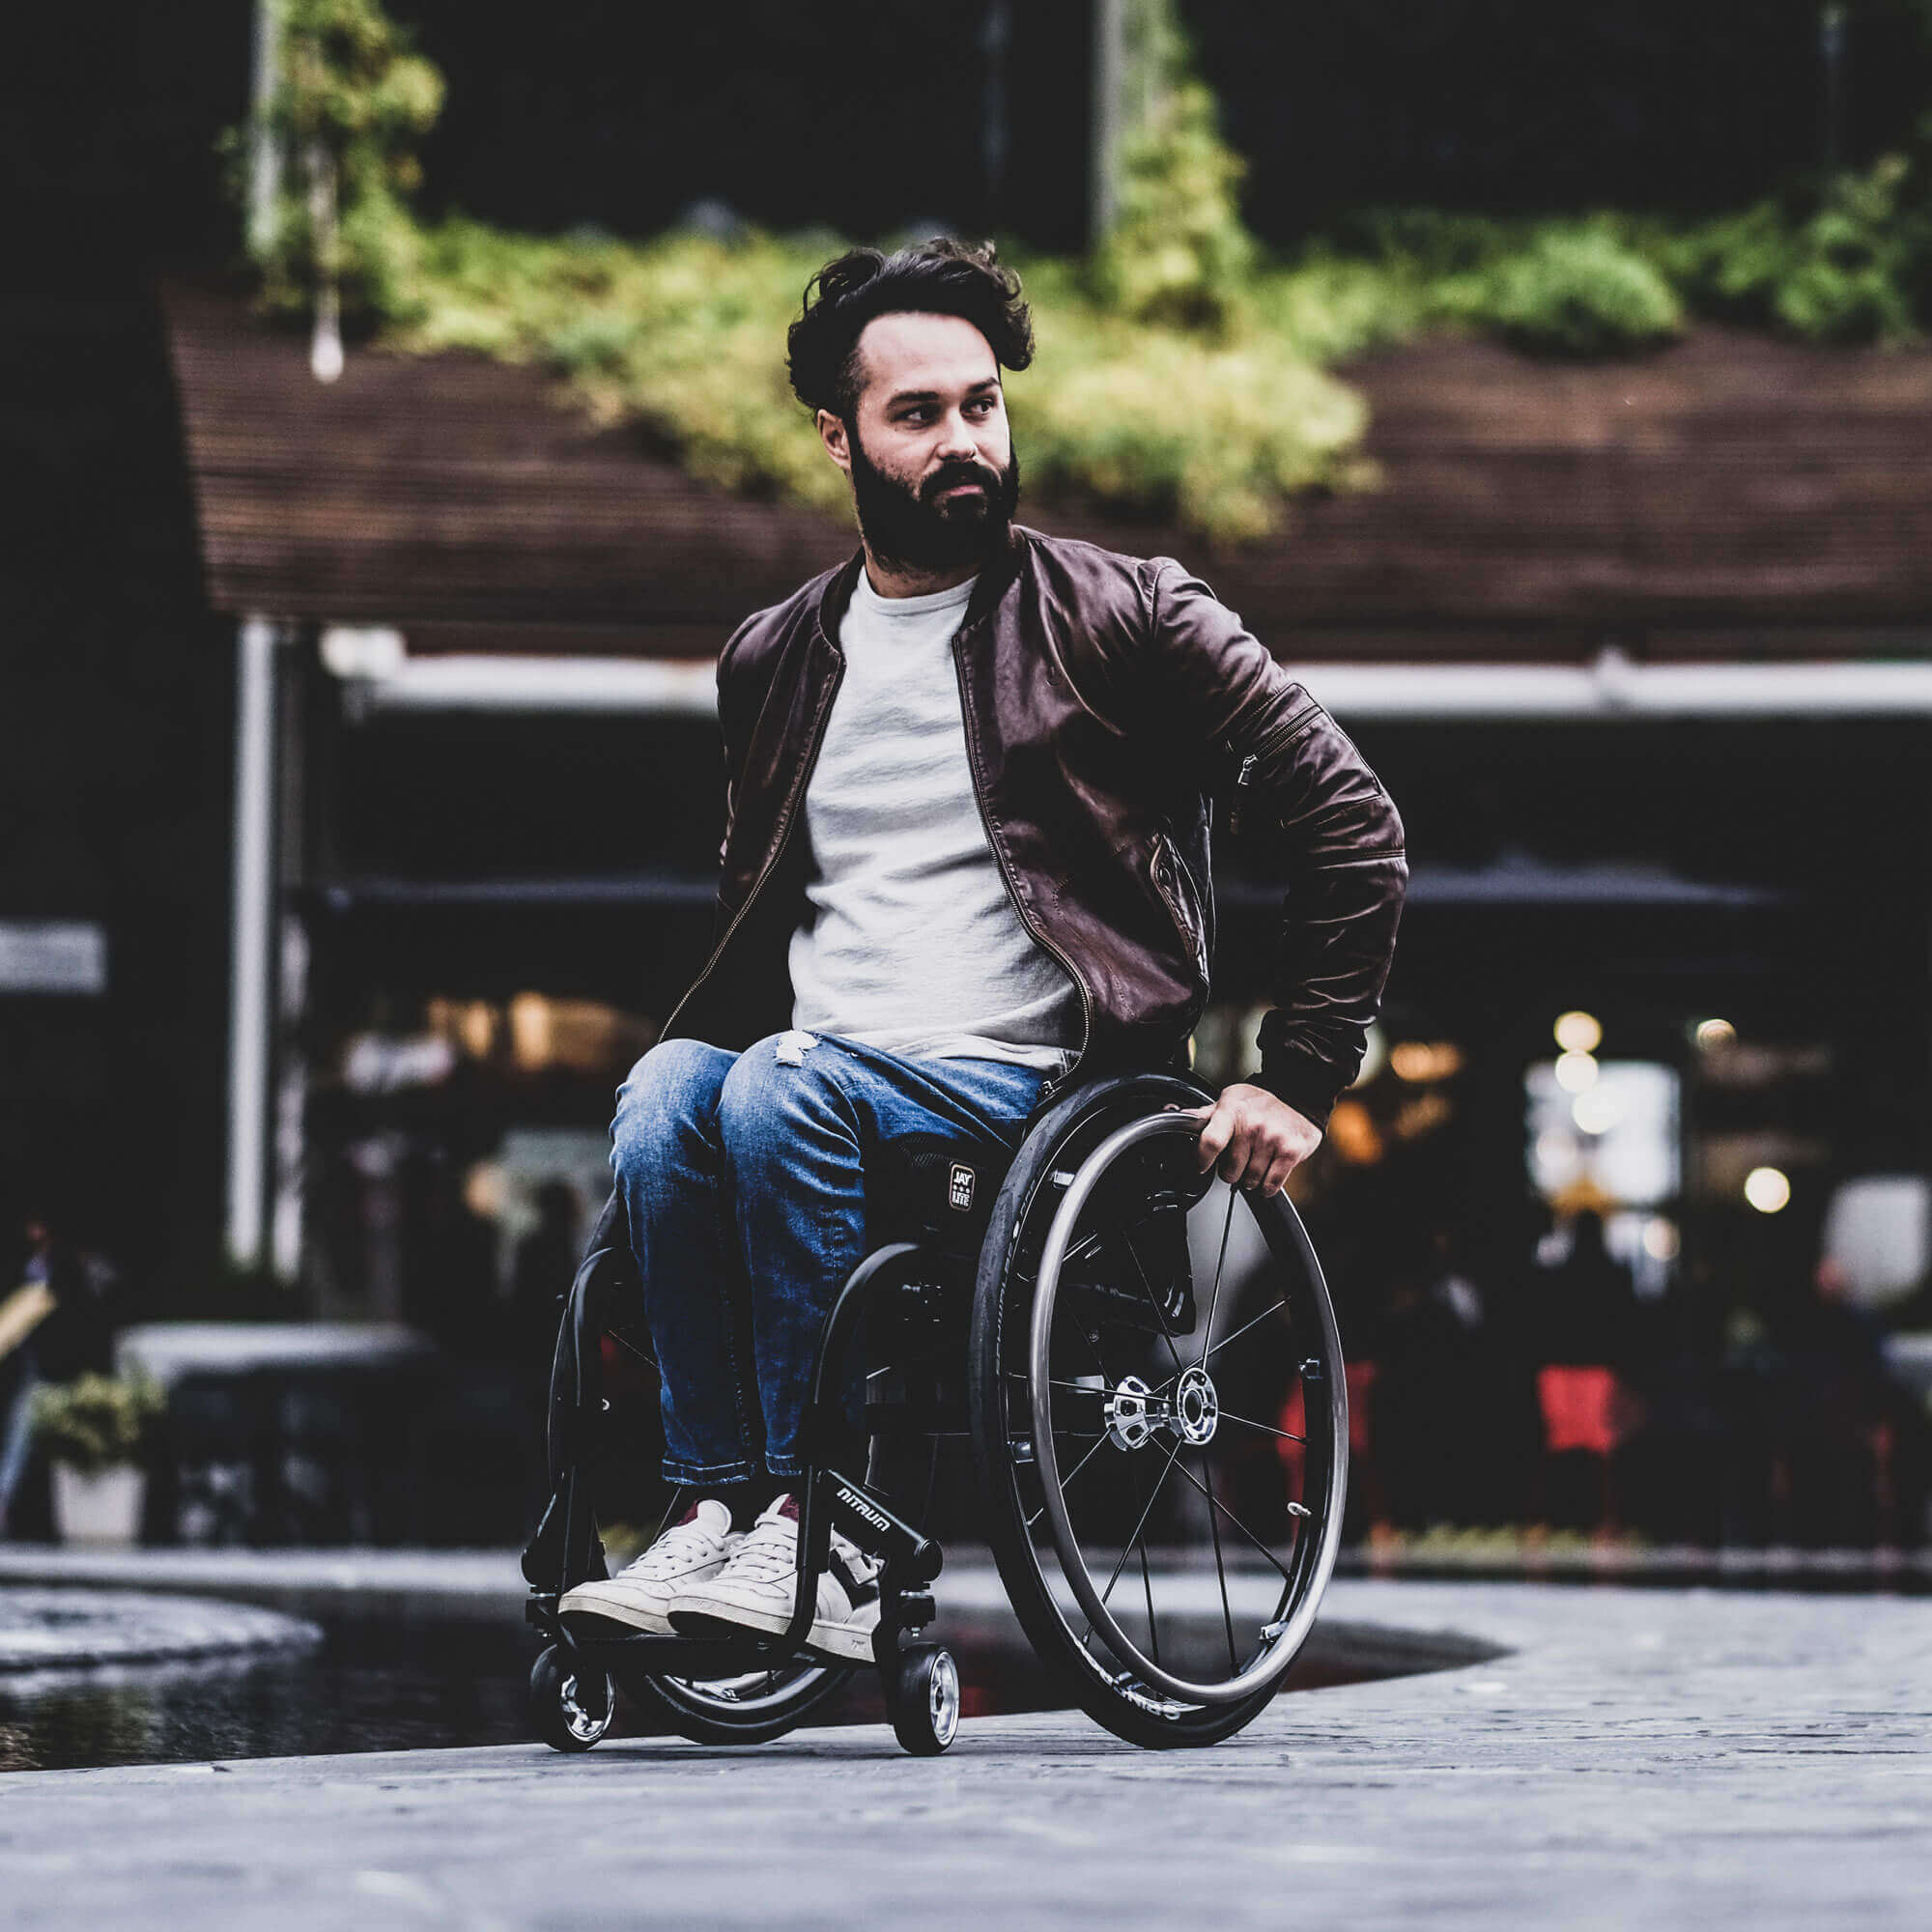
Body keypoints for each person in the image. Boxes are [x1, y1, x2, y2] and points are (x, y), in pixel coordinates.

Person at [559, 241, 1406, 1657]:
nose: (964, 441)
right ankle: (717, 1516)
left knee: (774, 1087)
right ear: (837, 437)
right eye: (918, 415)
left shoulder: (1126, 615)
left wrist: (1300, 1076)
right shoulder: (772, 659)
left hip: (1039, 1098)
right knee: (660, 1098)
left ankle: (814, 1535)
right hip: (816, 1070)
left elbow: (1352, 819)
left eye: (983, 405)